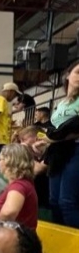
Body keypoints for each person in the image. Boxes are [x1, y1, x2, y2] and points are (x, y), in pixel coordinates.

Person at [46, 59, 79, 228]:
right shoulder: (61, 103)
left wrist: (51, 138)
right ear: (68, 75)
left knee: (67, 201)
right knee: (54, 201)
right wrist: (45, 142)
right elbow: (54, 129)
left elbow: (73, 130)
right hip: (58, 152)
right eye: (78, 72)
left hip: (76, 150)